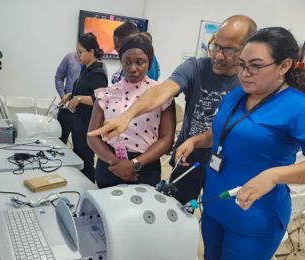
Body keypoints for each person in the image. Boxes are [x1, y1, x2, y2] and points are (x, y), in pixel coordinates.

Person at [175, 27, 305, 260]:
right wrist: (196, 141)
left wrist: (274, 175)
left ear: (284, 65)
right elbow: (223, 131)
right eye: (243, 65)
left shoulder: (301, 108)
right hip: (215, 205)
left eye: (256, 66)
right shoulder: (238, 94)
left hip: (254, 219)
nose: (245, 73)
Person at [89, 15, 257, 205]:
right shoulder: (195, 67)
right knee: (176, 210)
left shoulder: (249, 83)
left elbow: (228, 129)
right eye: (216, 46)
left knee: (216, 213)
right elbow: (164, 90)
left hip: (225, 165)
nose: (218, 55)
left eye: (229, 50)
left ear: (247, 49)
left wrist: (136, 163)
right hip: (187, 160)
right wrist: (128, 115)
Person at [88, 33, 175, 188]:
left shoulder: (161, 94)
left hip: (145, 166)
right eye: (127, 62)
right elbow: (92, 137)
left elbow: (167, 139)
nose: (132, 68)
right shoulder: (106, 93)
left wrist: (134, 164)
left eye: (140, 62)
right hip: (110, 165)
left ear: (149, 62)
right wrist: (118, 165)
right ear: (120, 61)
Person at [57, 33, 108, 182]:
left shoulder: (98, 73)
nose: (77, 56)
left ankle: (89, 191)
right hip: (78, 122)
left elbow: (100, 99)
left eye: (80, 52)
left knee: (86, 161)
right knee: (78, 156)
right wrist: (71, 95)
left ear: (91, 52)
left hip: (88, 124)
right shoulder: (86, 69)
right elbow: (84, 90)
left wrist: (79, 98)